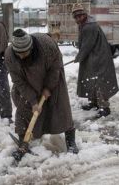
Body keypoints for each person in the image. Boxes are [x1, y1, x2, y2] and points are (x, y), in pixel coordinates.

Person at [5, 29, 78, 161]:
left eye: (25, 53)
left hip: (51, 77)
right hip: (27, 82)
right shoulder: (10, 55)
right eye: (19, 54)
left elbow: (55, 68)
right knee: (23, 107)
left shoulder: (47, 46)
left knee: (60, 107)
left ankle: (71, 141)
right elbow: (18, 81)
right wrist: (33, 101)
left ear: (31, 47)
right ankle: (23, 142)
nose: (21, 56)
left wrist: (48, 87)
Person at [72, 3, 118, 118]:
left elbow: (87, 45)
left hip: (99, 58)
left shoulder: (89, 26)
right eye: (76, 17)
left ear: (84, 15)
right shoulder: (84, 24)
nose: (78, 19)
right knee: (90, 79)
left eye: (80, 16)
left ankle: (104, 106)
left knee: (99, 82)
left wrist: (79, 57)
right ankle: (93, 102)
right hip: (92, 57)